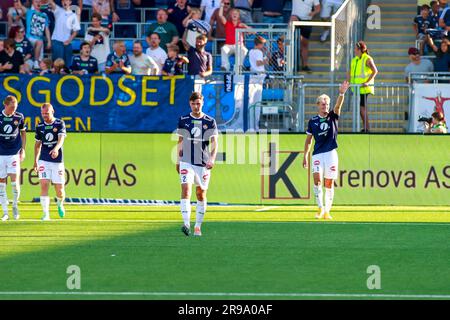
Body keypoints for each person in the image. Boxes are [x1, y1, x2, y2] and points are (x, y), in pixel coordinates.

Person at [302, 81, 350, 220]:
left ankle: (328, 210)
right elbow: (309, 140)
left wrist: (341, 93)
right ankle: (320, 208)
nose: (326, 106)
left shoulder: (332, 116)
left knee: (329, 182)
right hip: (317, 154)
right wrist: (305, 155)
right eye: (323, 104)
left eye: (327, 104)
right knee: (317, 180)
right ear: (318, 105)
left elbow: (338, 105)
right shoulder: (312, 121)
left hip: (331, 154)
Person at [176, 91, 218, 236]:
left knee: (200, 194)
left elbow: (215, 143)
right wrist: (177, 160)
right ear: (190, 103)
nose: (196, 106)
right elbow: (180, 141)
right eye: (193, 104)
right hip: (186, 161)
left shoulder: (210, 121)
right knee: (186, 190)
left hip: (203, 163)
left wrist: (212, 158)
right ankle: (186, 223)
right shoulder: (183, 119)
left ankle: (198, 226)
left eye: (198, 103)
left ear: (202, 103)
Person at [33, 103, 67, 221]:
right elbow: (37, 145)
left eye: (46, 113)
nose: (44, 116)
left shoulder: (59, 123)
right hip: (44, 160)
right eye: (42, 114)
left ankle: (59, 203)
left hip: (57, 161)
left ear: (53, 111)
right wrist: (36, 161)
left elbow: (61, 139)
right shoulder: (40, 126)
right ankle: (45, 214)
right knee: (44, 185)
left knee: (60, 191)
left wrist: (56, 149)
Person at [0, 96, 26, 221]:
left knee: (15, 183)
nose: (14, 110)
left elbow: (23, 133)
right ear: (5, 105)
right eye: (12, 108)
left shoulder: (19, 117)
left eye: (15, 108)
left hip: (14, 153)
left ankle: (15, 205)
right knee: (1, 185)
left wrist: (23, 150)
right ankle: (5, 212)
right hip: (1, 154)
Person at [348, 41, 378, 133]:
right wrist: (347, 82)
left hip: (364, 88)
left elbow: (375, 71)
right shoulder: (355, 60)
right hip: (357, 88)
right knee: (360, 108)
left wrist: (367, 82)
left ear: (361, 50)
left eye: (356, 49)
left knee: (362, 108)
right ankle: (365, 128)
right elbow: (349, 72)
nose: (355, 51)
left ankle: (367, 128)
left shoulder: (367, 59)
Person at [290, 0, 321, 72]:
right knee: (292, 43)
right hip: (296, 19)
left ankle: (305, 65)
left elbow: (318, 8)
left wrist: (313, 13)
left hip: (307, 21)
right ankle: (291, 65)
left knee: (304, 44)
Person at [49, 0, 81, 66]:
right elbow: (51, 1)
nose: (64, 2)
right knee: (57, 65)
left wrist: (70, 40)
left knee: (67, 65)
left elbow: (76, 30)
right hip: (57, 41)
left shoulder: (73, 15)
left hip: (67, 42)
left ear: (70, 2)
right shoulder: (58, 10)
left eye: (66, 0)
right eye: (63, 1)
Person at [218, 3, 249, 72]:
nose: (234, 14)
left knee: (244, 50)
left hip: (239, 45)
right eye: (233, 13)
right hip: (229, 45)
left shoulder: (241, 24)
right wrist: (221, 6)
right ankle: (225, 67)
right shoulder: (227, 23)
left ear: (238, 16)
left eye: (236, 14)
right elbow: (220, 15)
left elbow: (251, 32)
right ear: (230, 15)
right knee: (223, 49)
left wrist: (245, 26)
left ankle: (238, 67)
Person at [25, 0, 51, 70]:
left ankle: (37, 63)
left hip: (39, 39)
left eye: (39, 2)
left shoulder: (45, 15)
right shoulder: (29, 12)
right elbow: (20, 7)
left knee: (40, 61)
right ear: (33, 3)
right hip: (29, 38)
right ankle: (35, 62)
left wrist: (49, 41)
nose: (38, 3)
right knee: (40, 42)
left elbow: (47, 29)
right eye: (36, 1)